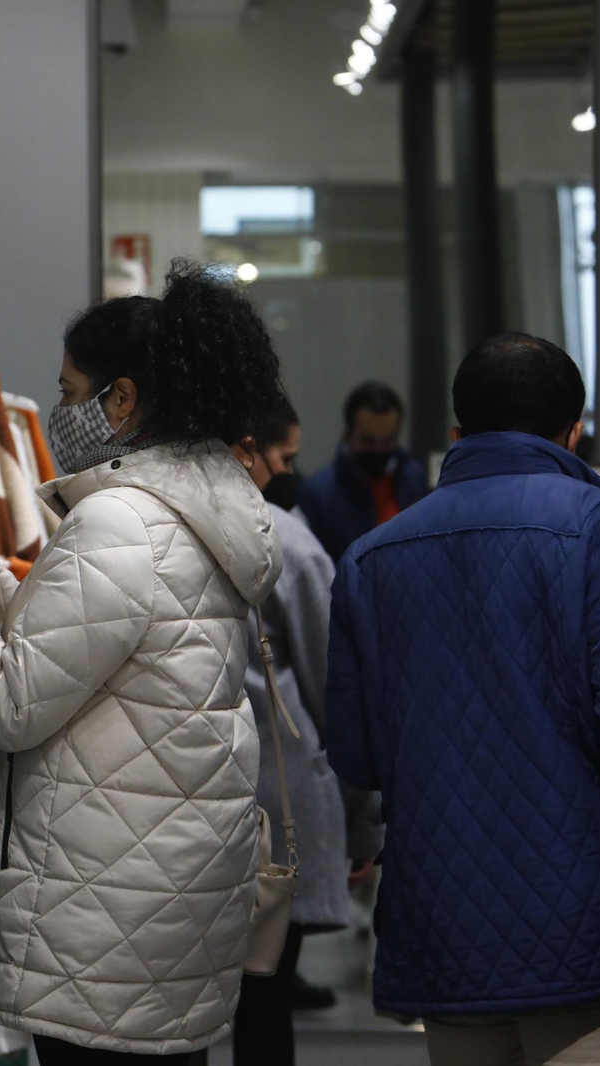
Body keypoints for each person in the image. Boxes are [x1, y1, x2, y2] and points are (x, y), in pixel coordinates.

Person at [0, 262, 289, 1064]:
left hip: (105, 921)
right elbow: (98, 645)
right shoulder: (194, 502)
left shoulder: (122, 522)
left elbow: (12, 701)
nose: (61, 409)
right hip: (165, 900)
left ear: (123, 400)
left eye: (71, 393)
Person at [324, 333, 600, 1066]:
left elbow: (357, 754)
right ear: (575, 430)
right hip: (581, 916)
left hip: (442, 918)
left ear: (456, 435)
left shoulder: (370, 557)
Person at [229, 399, 383, 1066]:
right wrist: (364, 820)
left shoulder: (148, 527)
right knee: (265, 1002)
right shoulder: (286, 541)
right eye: (284, 459)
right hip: (276, 804)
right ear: (246, 449)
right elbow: (335, 688)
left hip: (195, 801)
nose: (288, 473)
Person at [298, 381, 427, 562]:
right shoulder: (319, 495)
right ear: (347, 435)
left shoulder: (414, 479)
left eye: (387, 441)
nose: (378, 450)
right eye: (368, 441)